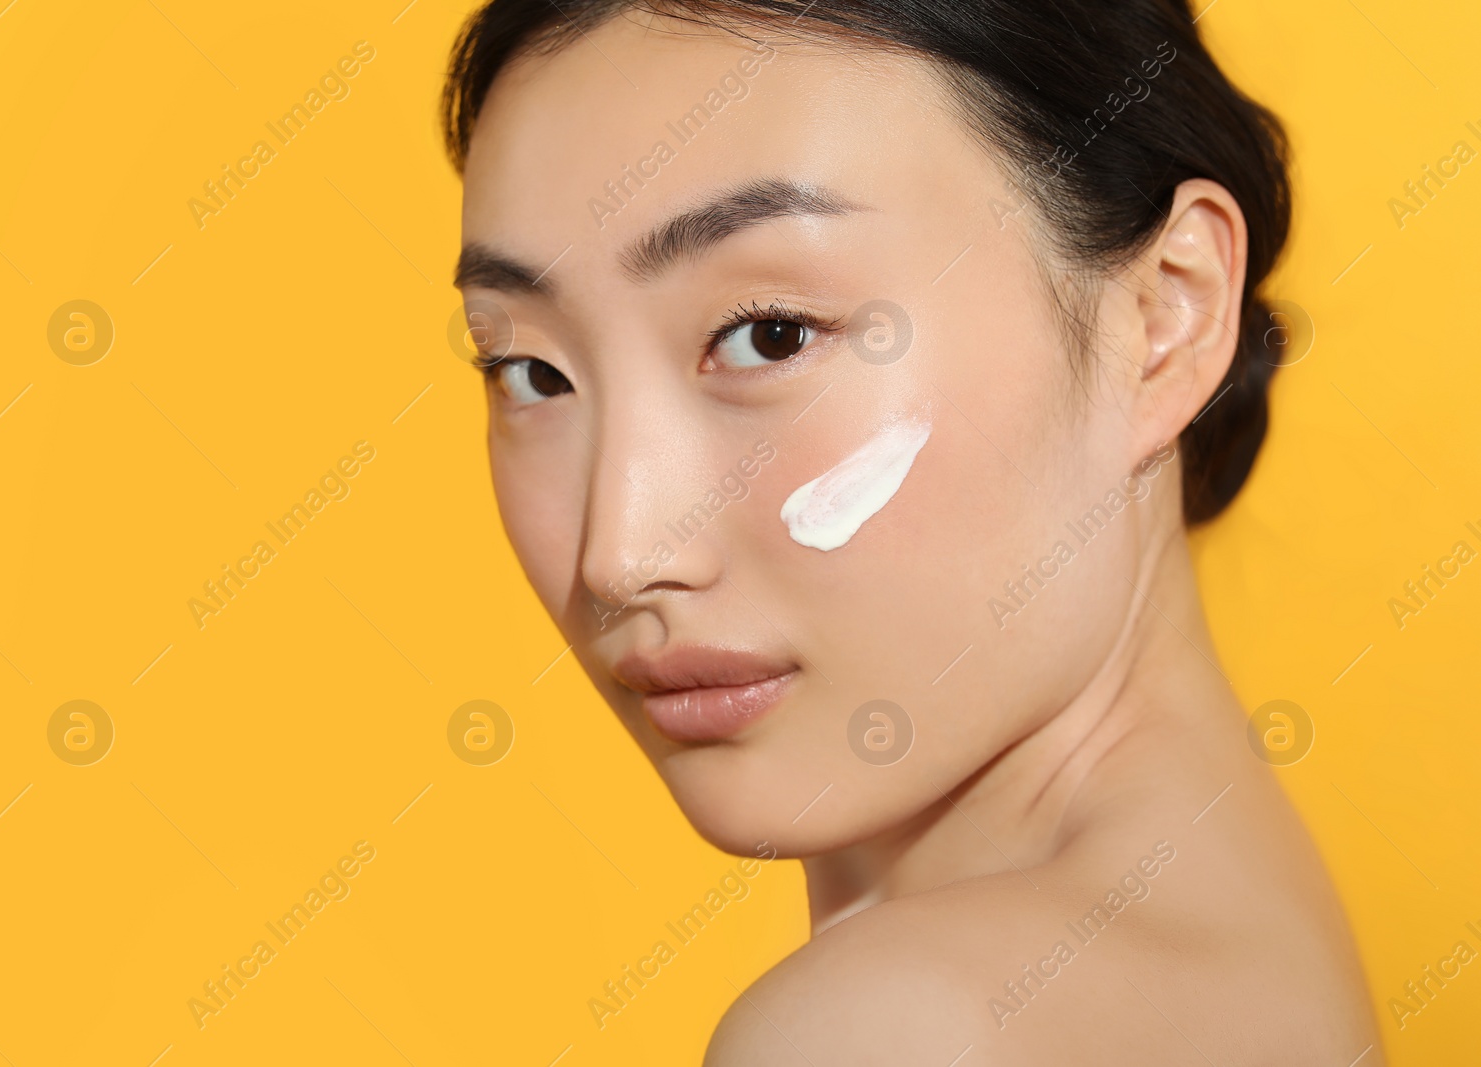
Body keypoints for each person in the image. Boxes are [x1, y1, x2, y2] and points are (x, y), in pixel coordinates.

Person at [444, 1, 1382, 1061]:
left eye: (769, 334)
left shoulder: (893, 1026)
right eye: (530, 370)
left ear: (1164, 316)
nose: (621, 553)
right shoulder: (1245, 952)